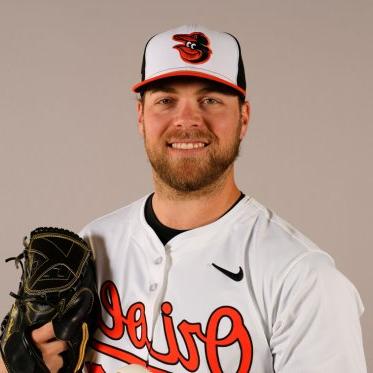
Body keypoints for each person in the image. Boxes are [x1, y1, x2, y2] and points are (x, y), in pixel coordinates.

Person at [0, 25, 367, 373]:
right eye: (166, 100)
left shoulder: (303, 278)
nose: (188, 119)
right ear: (141, 117)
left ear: (243, 117)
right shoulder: (95, 244)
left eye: (210, 100)